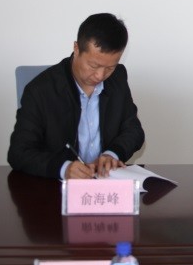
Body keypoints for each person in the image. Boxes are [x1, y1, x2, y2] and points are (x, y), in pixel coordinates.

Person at [8, 13, 145, 179]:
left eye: (110, 68)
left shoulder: (118, 78)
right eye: (93, 66)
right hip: (55, 188)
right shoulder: (40, 91)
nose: (100, 75)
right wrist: (63, 168)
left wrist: (112, 154)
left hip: (104, 183)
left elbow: (134, 131)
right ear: (76, 48)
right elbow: (19, 152)